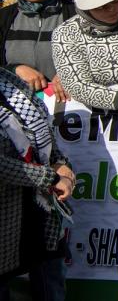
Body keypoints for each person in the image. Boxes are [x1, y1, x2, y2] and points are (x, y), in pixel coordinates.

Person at [0, 68, 74, 301]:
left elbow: (43, 130)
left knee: (51, 284)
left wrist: (59, 164)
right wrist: (50, 177)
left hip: (39, 211)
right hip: (7, 214)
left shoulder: (9, 81)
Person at [0, 0, 74, 91]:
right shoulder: (4, 17)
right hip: (14, 97)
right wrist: (14, 69)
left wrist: (73, 72)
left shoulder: (76, 15)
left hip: (68, 98)